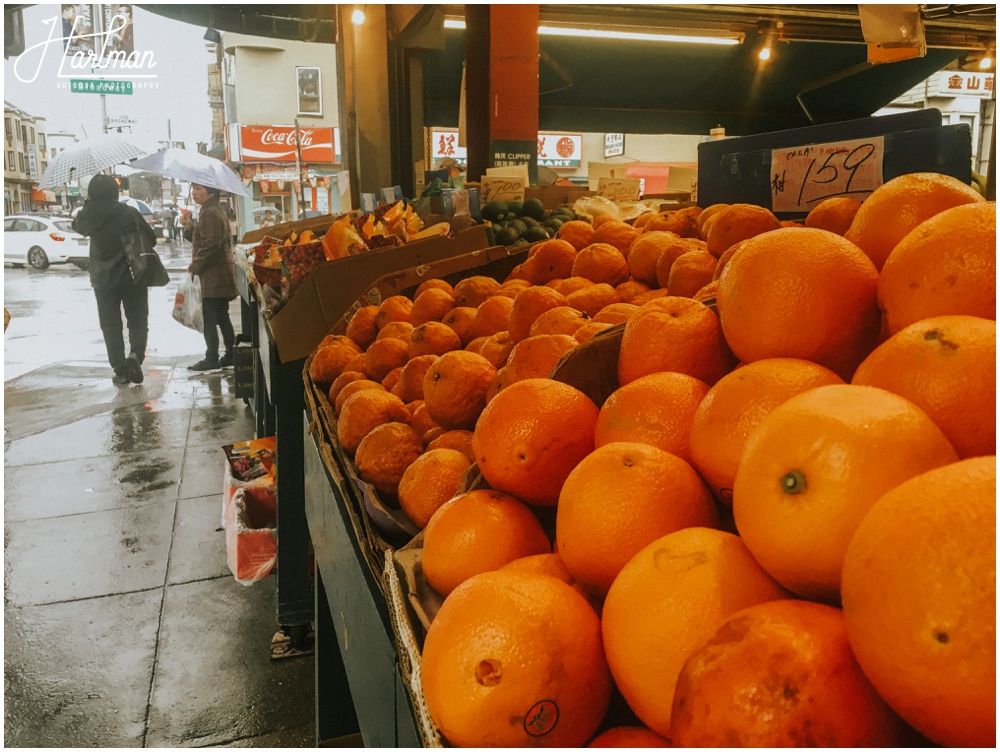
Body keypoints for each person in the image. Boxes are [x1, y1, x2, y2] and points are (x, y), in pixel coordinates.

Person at [72, 173, 157, 385]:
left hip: (102, 279)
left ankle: (120, 368)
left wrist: (87, 205)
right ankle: (135, 356)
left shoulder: (88, 215)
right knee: (137, 320)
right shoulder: (128, 212)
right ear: (115, 192)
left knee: (110, 324)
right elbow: (152, 239)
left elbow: (77, 227)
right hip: (132, 275)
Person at [181, 183, 238, 371]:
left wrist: (194, 267)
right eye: (193, 189)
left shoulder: (210, 212)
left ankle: (212, 358)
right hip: (218, 274)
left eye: (198, 189)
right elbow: (203, 240)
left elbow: (211, 245)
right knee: (222, 316)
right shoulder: (212, 210)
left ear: (210, 192)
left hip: (213, 275)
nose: (194, 192)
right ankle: (230, 354)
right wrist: (189, 228)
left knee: (209, 318)